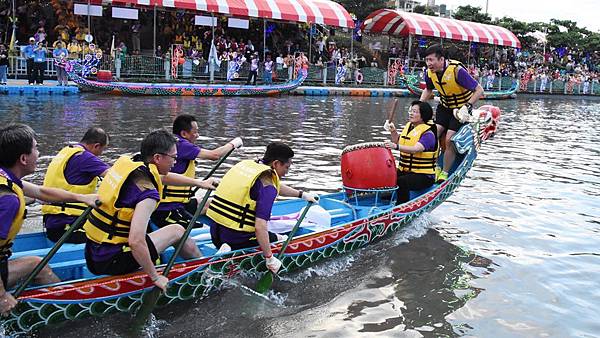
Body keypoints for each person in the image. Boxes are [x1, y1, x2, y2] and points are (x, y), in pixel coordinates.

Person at [83, 130, 217, 291]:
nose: (175, 162)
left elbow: (163, 178)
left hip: (92, 253)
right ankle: (205, 273)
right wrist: (155, 277)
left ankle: (200, 265)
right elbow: (135, 241)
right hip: (112, 259)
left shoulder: (134, 166)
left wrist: (200, 183)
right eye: (174, 157)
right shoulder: (148, 195)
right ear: (158, 158)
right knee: (178, 230)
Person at [0, 124, 98, 315]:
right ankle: (69, 312)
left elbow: (41, 192)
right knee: (39, 266)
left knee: (35, 263)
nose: (39, 153)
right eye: (36, 148)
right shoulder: (8, 200)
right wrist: (2, 296)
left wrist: (82, 198)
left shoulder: (6, 177)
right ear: (23, 158)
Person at [207, 142, 319, 273]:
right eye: (287, 168)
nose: (286, 173)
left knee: (261, 233)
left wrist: (302, 194)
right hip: (237, 239)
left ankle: (225, 246)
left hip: (215, 232)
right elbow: (260, 227)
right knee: (279, 239)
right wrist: (269, 258)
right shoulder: (268, 187)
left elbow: (275, 186)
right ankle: (232, 251)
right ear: (276, 164)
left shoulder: (250, 167)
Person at [150, 115, 243, 228]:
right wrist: (233, 144)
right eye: (195, 132)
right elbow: (214, 155)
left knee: (216, 204)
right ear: (184, 134)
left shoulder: (172, 143)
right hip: (168, 207)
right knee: (200, 226)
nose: (198, 135)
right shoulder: (182, 145)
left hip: (181, 202)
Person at [418, 44, 484, 182]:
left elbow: (479, 90)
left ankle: (445, 172)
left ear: (441, 59)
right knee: (432, 134)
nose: (429, 63)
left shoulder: (457, 70)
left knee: (449, 139)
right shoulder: (429, 73)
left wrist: (467, 106)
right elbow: (428, 90)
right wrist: (418, 105)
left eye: (431, 60)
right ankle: (433, 166)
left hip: (460, 110)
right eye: (427, 60)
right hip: (444, 107)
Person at [42, 128, 111, 243]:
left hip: (53, 225)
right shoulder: (85, 158)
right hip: (68, 228)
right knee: (116, 234)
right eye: (102, 150)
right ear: (96, 146)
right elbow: (116, 178)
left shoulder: (66, 152)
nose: (100, 154)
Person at [384, 101, 438, 204]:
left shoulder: (428, 134)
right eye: (410, 111)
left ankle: (401, 206)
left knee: (402, 181)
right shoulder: (409, 127)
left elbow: (416, 149)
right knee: (388, 175)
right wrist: (393, 131)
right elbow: (399, 141)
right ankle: (386, 198)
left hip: (424, 175)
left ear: (423, 115)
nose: (411, 114)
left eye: (414, 111)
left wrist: (396, 147)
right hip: (407, 170)